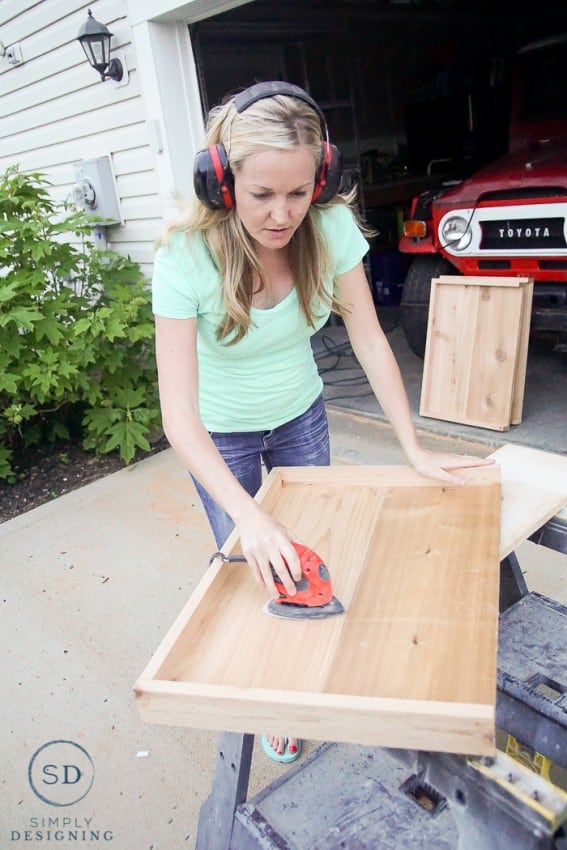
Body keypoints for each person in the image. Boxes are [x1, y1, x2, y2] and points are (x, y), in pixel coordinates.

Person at [151, 81, 493, 763]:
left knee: (311, 550)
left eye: (298, 193)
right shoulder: (184, 257)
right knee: (258, 560)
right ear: (222, 183)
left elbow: (368, 337)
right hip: (220, 433)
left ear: (321, 180)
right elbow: (177, 414)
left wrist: (413, 448)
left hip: (301, 413)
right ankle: (276, 698)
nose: (281, 214)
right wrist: (247, 514)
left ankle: (316, 671)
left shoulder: (329, 228)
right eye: (261, 196)